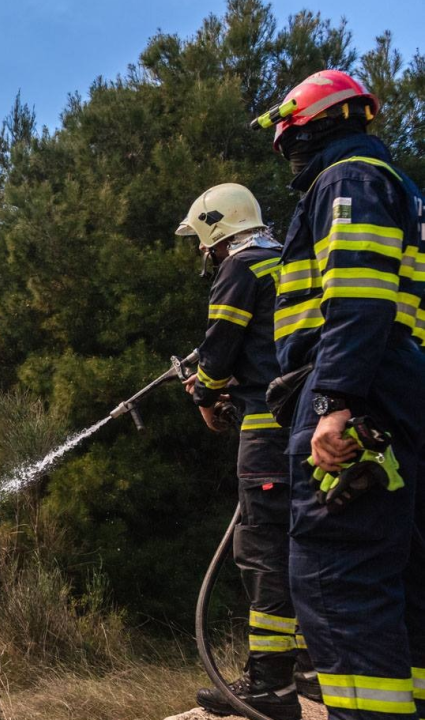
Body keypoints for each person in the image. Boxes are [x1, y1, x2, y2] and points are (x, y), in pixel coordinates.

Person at [254, 68, 425, 719]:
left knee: (338, 583)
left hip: (352, 400)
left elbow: (358, 302)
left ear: (310, 122)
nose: (284, 145)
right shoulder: (399, 189)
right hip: (394, 401)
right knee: (399, 586)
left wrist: (332, 403)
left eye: (286, 131)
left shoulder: (348, 180)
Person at [176, 183, 315, 720]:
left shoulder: (239, 269)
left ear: (216, 230)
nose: (202, 253)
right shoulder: (289, 259)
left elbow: (221, 348)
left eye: (201, 240)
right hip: (306, 426)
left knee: (262, 554)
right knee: (305, 545)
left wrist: (207, 392)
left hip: (265, 434)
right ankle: (309, 668)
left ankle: (270, 688)